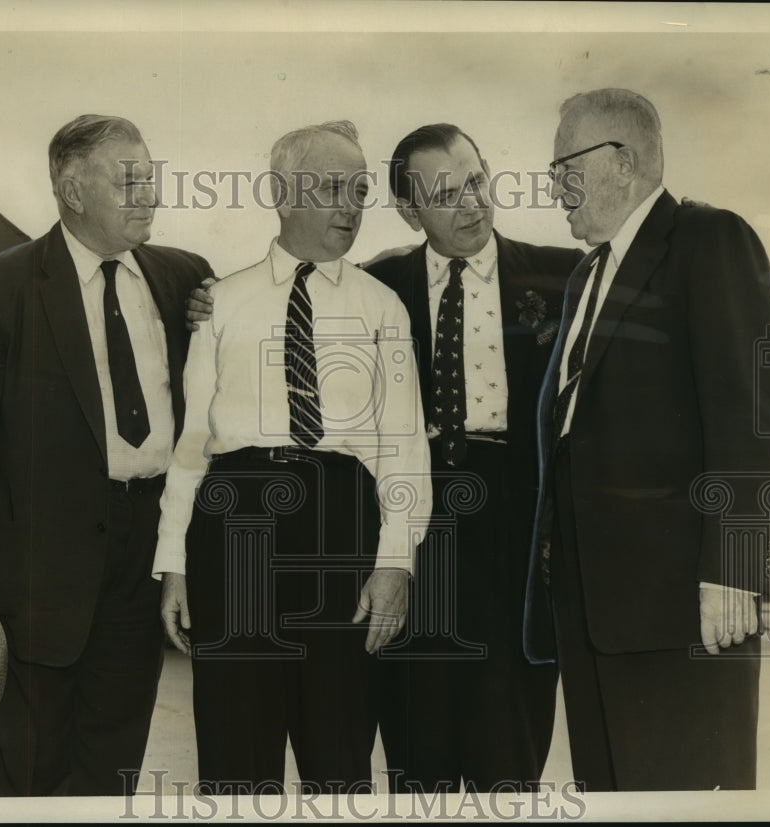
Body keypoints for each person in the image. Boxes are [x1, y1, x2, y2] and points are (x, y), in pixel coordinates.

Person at [0, 114, 213, 796]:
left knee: (112, 760)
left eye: (152, 177)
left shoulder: (184, 278)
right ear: (73, 191)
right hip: (33, 568)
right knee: (19, 767)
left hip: (145, 553)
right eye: (129, 181)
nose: (150, 195)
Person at [152, 120, 431, 795]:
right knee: (234, 760)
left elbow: (403, 443)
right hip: (233, 525)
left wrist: (396, 560)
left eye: (360, 190)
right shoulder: (219, 302)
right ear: (282, 191)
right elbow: (192, 440)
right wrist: (174, 562)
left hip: (342, 527)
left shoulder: (383, 307)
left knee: (339, 761)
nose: (351, 205)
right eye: (334, 186)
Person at [523, 88, 770, 790]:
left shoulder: (709, 240)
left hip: (682, 608)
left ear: (623, 161)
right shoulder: (587, 275)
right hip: (592, 611)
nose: (553, 188)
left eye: (563, 169)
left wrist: (732, 566)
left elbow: (750, 416)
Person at [364, 124, 583, 793]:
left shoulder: (562, 275)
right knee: (417, 746)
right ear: (409, 210)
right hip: (413, 523)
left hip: (516, 529)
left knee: (506, 749)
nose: (471, 205)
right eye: (445, 193)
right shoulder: (378, 287)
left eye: (477, 181)